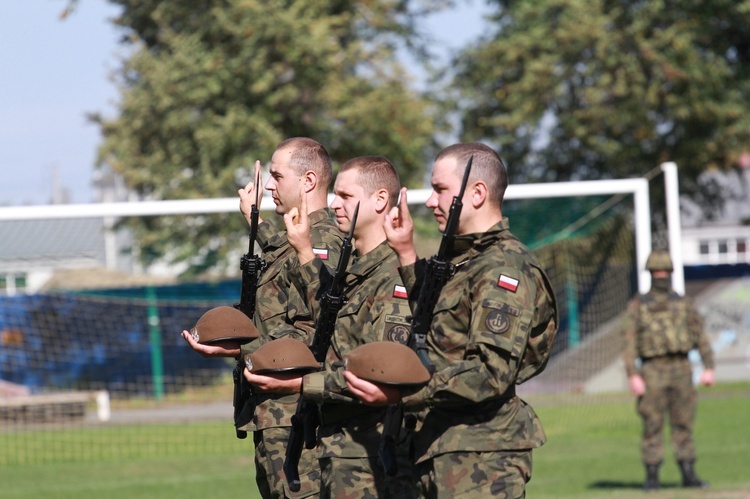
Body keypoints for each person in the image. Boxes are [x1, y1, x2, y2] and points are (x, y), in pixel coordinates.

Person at [345, 142, 559, 498]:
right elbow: (441, 328)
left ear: (476, 193)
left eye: (440, 190)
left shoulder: (504, 266)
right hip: (440, 450)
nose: (430, 202)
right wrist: (407, 253)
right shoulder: (465, 261)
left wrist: (402, 393)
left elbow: (490, 373)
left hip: (481, 459)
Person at [243, 156, 417, 498]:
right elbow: (328, 323)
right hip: (339, 449)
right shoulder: (353, 270)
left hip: (372, 456)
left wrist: (304, 383)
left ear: (380, 200)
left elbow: (378, 373)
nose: (335, 204)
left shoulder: (392, 277)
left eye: (346, 196)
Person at [182, 137, 343, 499]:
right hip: (274, 414)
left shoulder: (321, 245)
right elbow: (283, 264)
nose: (268, 185)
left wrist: (238, 350)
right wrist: (253, 219)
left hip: (296, 416)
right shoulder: (295, 241)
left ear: (308, 181)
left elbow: (319, 331)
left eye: (276, 175)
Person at [622, 250, 715, 492]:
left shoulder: (684, 303)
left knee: (683, 422)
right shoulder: (638, 306)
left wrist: (709, 367)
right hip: (652, 369)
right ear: (651, 274)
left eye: (664, 272)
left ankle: (688, 473)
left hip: (681, 367)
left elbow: (700, 336)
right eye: (657, 272)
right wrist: (633, 374)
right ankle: (652, 476)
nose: (661, 276)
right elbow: (629, 342)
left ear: (671, 273)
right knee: (652, 423)